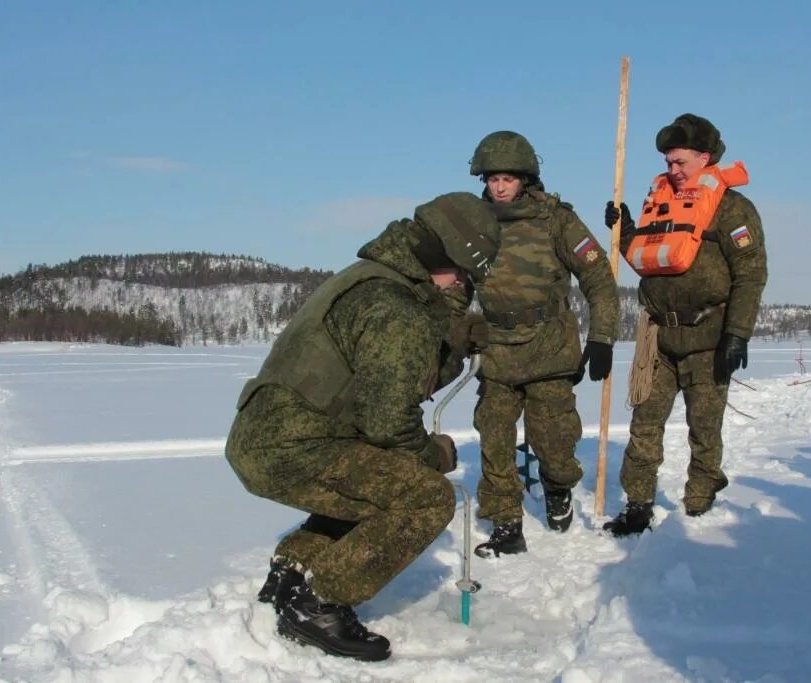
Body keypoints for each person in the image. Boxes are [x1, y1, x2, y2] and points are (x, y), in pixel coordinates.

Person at [225, 193, 499, 661]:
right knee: (424, 496)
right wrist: (435, 456)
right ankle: (319, 602)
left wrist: (450, 344)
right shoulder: (396, 309)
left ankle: (293, 573)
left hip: (268, 437)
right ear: (441, 256)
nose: (462, 286)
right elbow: (389, 422)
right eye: (464, 274)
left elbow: (390, 378)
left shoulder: (371, 279)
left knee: (373, 479)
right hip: (295, 445)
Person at [602, 113, 767, 533]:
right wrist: (624, 231)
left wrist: (737, 334)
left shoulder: (732, 209)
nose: (672, 171)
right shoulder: (661, 202)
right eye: (668, 163)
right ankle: (638, 503)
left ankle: (700, 495)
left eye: (680, 162)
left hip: (709, 339)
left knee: (704, 427)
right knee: (644, 425)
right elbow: (648, 264)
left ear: (705, 158)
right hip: (658, 339)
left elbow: (751, 274)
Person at [466, 131, 620, 558]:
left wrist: (602, 337)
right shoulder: (471, 222)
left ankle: (557, 486)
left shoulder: (556, 220)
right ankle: (506, 523)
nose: (499, 187)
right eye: (493, 178)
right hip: (497, 350)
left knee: (552, 439)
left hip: (549, 348)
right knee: (494, 436)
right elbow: (455, 286)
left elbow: (598, 280)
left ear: (526, 179)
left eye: (508, 179)